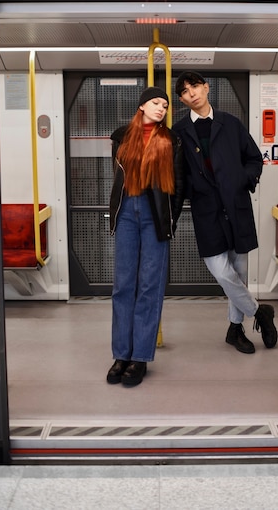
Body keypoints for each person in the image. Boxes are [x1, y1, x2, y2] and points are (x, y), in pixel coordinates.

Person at [173, 71, 277, 354]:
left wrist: (242, 180)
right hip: (206, 211)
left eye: (195, 86)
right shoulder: (179, 131)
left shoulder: (230, 123)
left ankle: (235, 329)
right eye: (184, 91)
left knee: (239, 271)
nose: (191, 93)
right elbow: (178, 176)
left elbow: (254, 158)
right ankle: (259, 312)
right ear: (182, 100)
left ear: (206, 88)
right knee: (222, 271)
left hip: (236, 206)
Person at [107, 86, 184, 386]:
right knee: (123, 286)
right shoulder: (121, 136)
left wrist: (170, 219)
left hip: (155, 217)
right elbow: (118, 179)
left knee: (150, 287)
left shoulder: (171, 140)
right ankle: (121, 355)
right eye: (156, 103)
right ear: (141, 106)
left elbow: (178, 188)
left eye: (165, 105)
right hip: (127, 211)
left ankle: (140, 357)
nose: (162, 108)